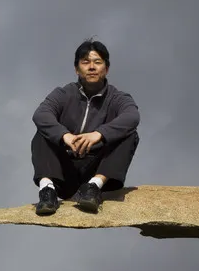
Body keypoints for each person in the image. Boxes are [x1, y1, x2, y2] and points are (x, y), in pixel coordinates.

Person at [31, 37, 140, 215]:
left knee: (130, 134)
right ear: (77, 69)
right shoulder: (63, 94)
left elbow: (132, 116)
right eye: (85, 62)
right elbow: (41, 114)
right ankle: (47, 191)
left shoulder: (118, 98)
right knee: (42, 132)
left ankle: (93, 188)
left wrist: (99, 134)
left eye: (97, 62)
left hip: (95, 171)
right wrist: (65, 136)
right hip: (64, 173)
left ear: (106, 68)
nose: (91, 67)